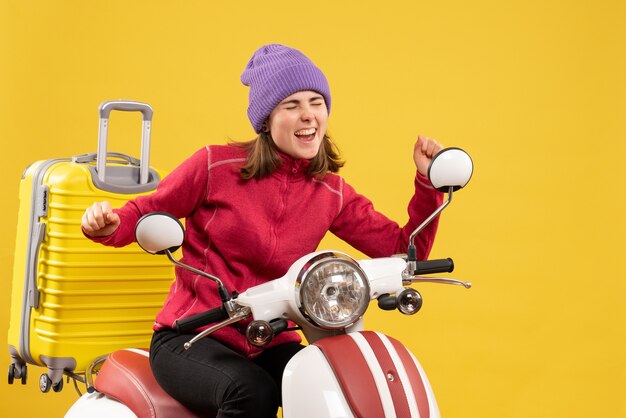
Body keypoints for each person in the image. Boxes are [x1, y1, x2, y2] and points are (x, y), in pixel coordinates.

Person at [82, 44, 444, 418]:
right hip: (193, 337)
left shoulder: (331, 192)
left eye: (316, 102)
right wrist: (109, 224)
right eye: (292, 105)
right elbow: (143, 214)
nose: (308, 115)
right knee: (251, 391)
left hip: (271, 337)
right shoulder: (214, 167)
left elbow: (404, 250)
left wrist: (428, 182)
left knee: (332, 380)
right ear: (267, 120)